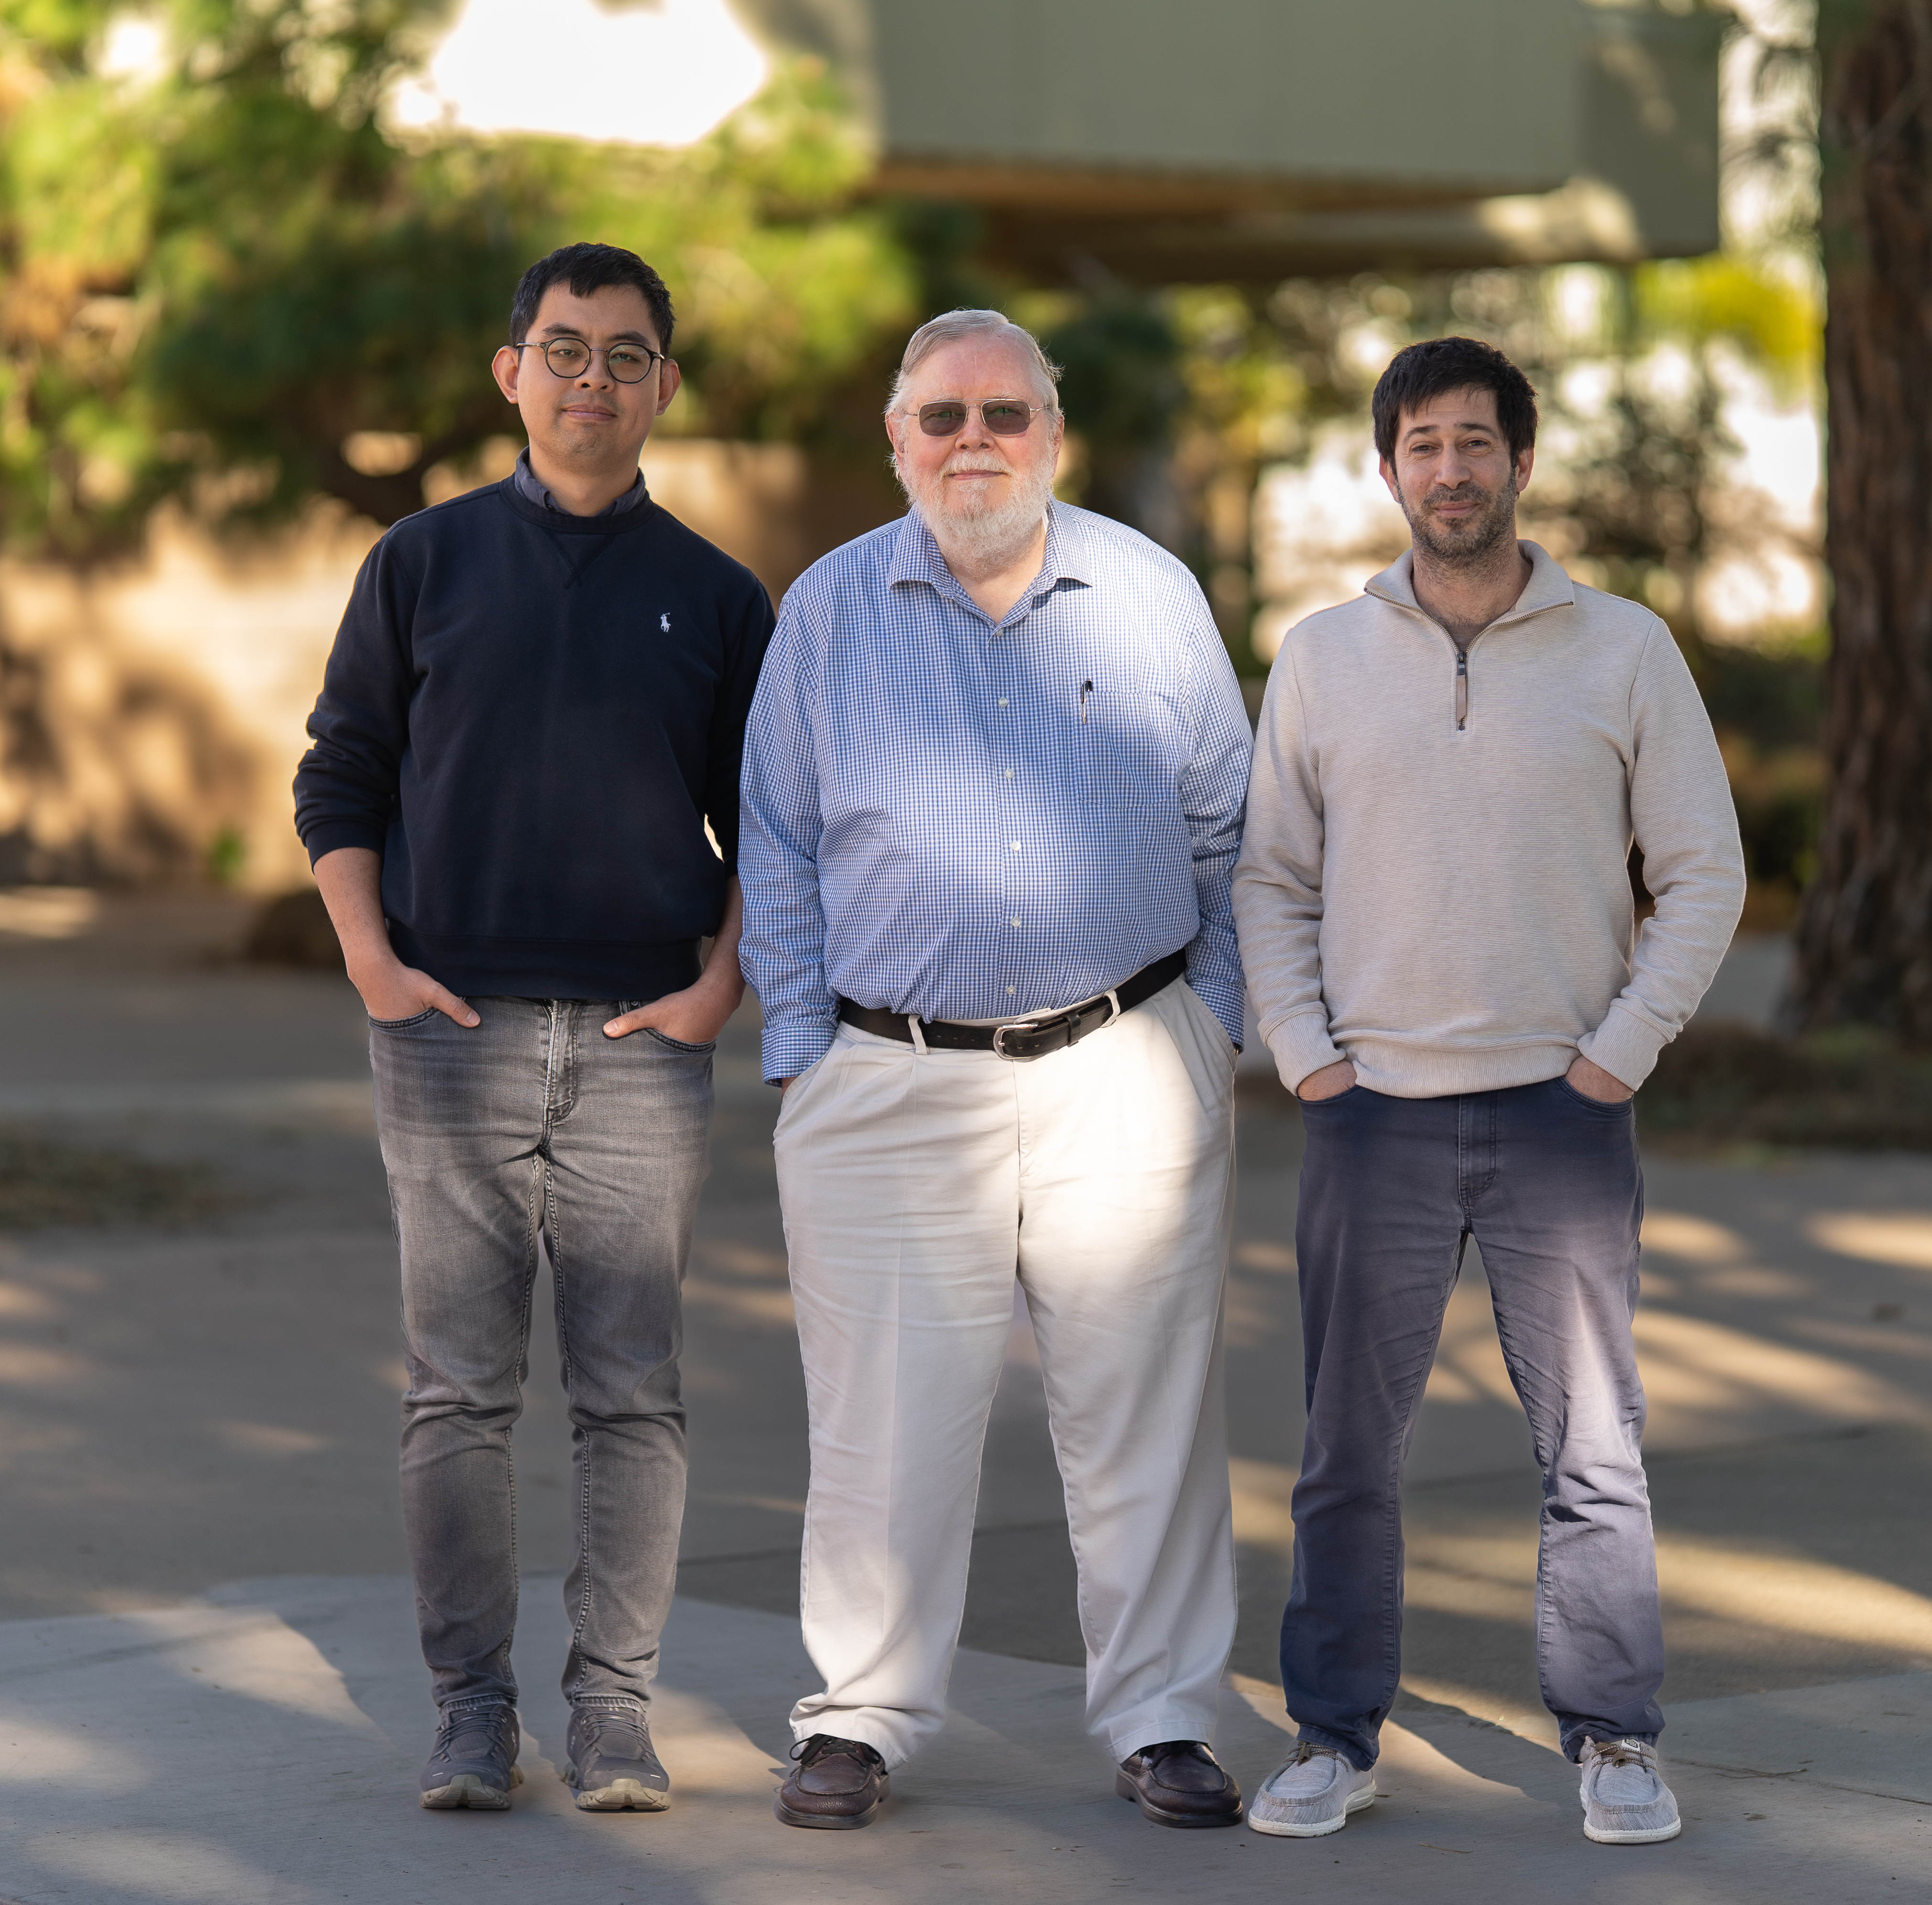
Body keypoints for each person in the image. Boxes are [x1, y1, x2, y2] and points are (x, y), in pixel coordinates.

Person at [736, 309, 1253, 1833]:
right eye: (944, 416)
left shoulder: (1152, 596)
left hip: (1128, 1069)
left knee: (1144, 1414)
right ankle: (861, 1719)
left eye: (1006, 415)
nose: (976, 441)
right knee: (885, 1423)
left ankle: (1163, 1719)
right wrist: (803, 1055)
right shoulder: (828, 611)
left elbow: (1233, 829)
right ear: (897, 441)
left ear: (1054, 437)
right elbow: (774, 839)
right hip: (888, 1081)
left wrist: (1207, 1029)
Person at [1232, 337, 1744, 1846]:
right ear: (1385, 470)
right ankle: (1333, 1734)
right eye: (1421, 445)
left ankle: (1615, 1736)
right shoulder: (1322, 656)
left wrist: (1615, 1056)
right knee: (1344, 1451)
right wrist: (1312, 1054)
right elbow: (1270, 879)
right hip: (1370, 1111)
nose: (1449, 470)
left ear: (1524, 462)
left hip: (1561, 1117)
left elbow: (1704, 873)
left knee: (1593, 1446)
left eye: (1476, 443)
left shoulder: (1625, 649)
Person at [292, 242, 774, 1816]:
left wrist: (722, 983)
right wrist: (369, 956)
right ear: (512, 372)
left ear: (663, 388)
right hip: (447, 1028)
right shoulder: (421, 563)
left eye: (626, 356)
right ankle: (470, 1715)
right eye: (564, 350)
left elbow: (770, 823)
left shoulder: (714, 596)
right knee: (460, 1392)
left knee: (633, 1394)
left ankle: (616, 1718)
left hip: (645, 1040)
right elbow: (341, 774)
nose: (592, 379)